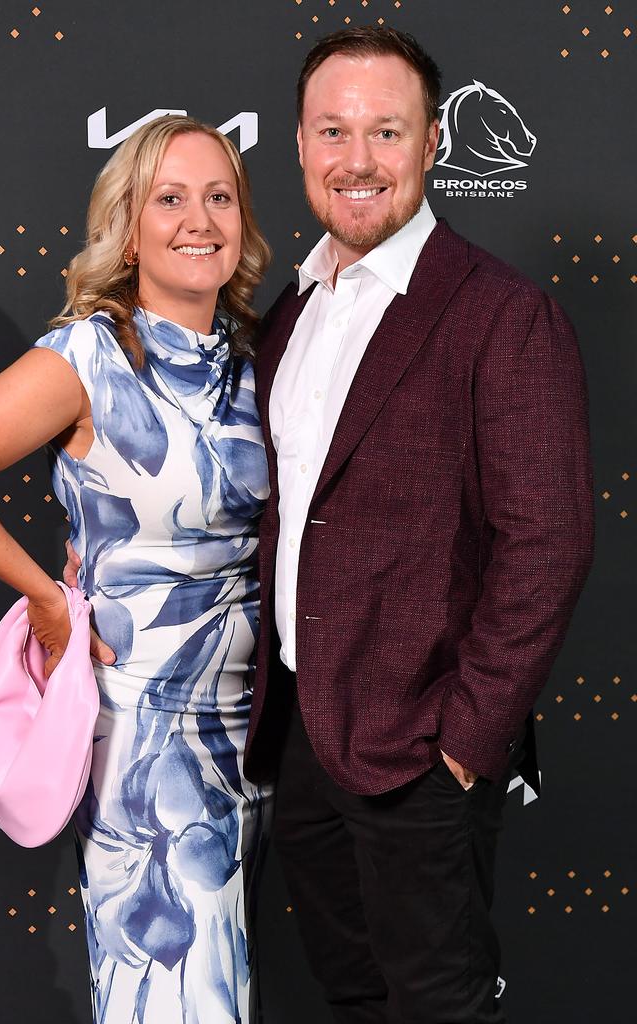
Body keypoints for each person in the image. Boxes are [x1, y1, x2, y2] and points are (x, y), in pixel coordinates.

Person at [241, 26, 594, 1024]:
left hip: (420, 743)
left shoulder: (501, 313)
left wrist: (464, 739)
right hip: (301, 729)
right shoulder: (291, 307)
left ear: (432, 143)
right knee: (351, 994)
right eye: (333, 131)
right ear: (301, 144)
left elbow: (549, 542)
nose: (357, 161)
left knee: (439, 1005)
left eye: (386, 131)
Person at [0, 115, 273, 1024]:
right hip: (146, 742)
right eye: (168, 199)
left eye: (219, 197)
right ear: (127, 226)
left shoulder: (257, 355)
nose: (199, 219)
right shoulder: (90, 358)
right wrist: (43, 598)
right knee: (180, 1001)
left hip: (254, 728)